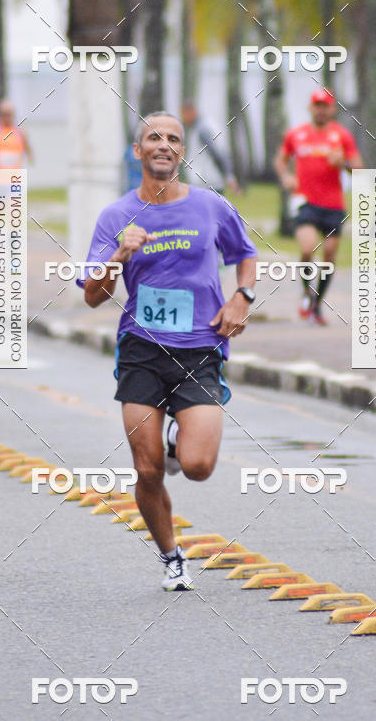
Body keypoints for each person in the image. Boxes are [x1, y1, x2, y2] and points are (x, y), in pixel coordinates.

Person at [80, 111, 257, 591]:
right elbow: (92, 295)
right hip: (141, 349)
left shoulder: (210, 206)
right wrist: (118, 255)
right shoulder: (116, 217)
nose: (163, 145)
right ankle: (171, 555)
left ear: (182, 152)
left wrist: (242, 297)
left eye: (173, 139)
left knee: (197, 467)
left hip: (200, 348)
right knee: (146, 467)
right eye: (153, 138)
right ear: (137, 152)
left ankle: (181, 441)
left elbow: (245, 255)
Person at [273, 89, 363, 325]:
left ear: (332, 109)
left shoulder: (341, 136)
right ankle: (306, 291)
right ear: (310, 108)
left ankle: (317, 304)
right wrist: (286, 176)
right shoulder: (297, 134)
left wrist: (342, 163)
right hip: (306, 202)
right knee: (307, 248)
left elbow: (359, 168)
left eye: (325, 106)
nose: (321, 110)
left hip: (333, 205)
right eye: (317, 105)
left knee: (329, 255)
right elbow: (280, 159)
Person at [180, 101, 240, 194]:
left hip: (207, 182)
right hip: (211, 182)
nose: (183, 118)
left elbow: (216, 153)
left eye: (183, 114)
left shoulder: (202, 129)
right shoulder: (207, 125)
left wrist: (229, 175)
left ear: (191, 112)